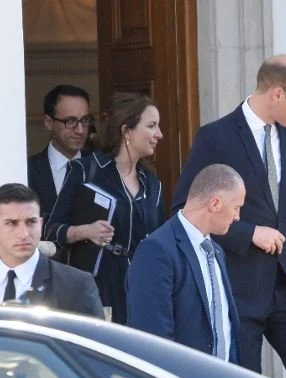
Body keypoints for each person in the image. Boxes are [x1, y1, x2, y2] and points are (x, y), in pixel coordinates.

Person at [171, 54, 286, 378]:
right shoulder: (215, 137)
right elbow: (185, 211)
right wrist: (249, 233)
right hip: (237, 289)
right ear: (277, 93)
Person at [44, 92, 165, 324]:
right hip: (99, 286)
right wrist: (84, 232)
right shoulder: (86, 170)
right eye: (151, 126)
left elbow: (159, 239)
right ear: (126, 130)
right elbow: (50, 229)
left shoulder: (153, 183)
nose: (159, 134)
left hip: (142, 286)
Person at [127, 164, 244, 362]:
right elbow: (153, 340)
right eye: (236, 207)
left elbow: (226, 330)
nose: (237, 217)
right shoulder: (156, 250)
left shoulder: (216, 251)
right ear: (215, 204)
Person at [0, 183, 104, 318]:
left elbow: (93, 338)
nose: (23, 234)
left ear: (41, 224)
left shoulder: (76, 285)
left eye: (31, 222)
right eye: (11, 223)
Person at [28, 85, 93, 220]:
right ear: (49, 123)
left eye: (85, 120)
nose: (80, 130)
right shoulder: (28, 171)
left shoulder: (100, 167)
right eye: (70, 121)